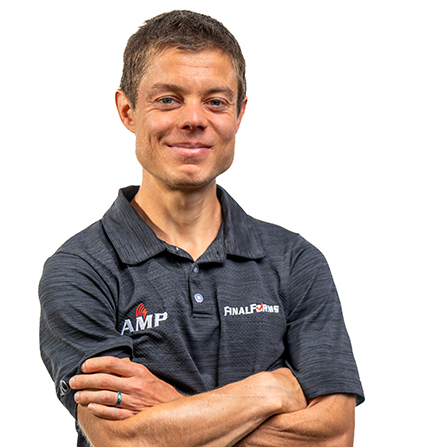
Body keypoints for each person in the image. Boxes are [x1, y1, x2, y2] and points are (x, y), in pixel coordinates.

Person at [39, 10, 364, 447]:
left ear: (239, 113)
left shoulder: (294, 261)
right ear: (128, 110)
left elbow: (334, 435)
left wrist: (172, 406)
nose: (194, 119)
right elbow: (122, 441)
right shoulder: (80, 269)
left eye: (215, 101)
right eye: (168, 100)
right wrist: (270, 389)